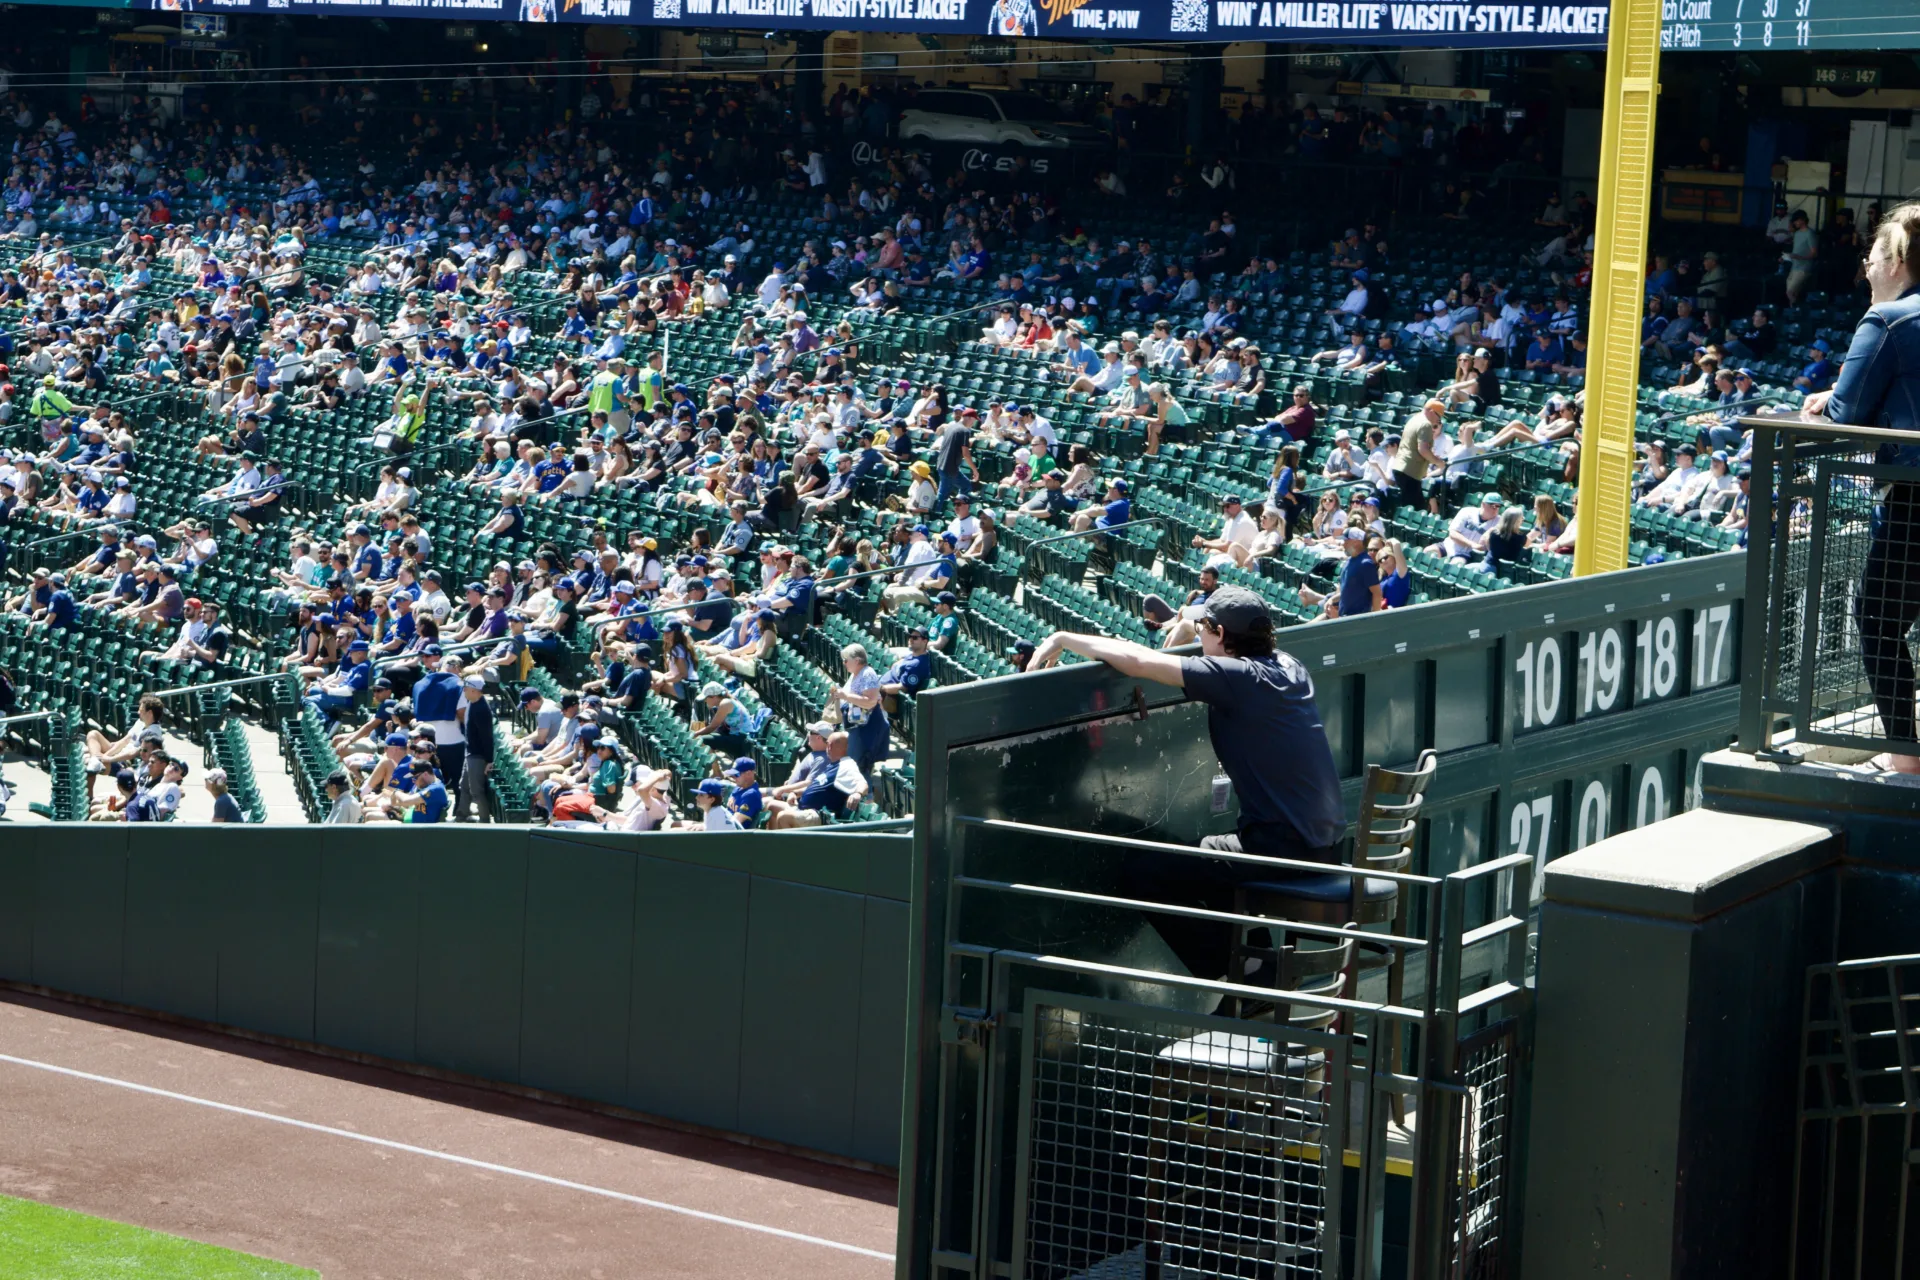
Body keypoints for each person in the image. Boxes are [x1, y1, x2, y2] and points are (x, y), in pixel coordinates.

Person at [1027, 586, 1344, 984]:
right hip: (1322, 843)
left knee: (1144, 872)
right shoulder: (1288, 665)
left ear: (1222, 636)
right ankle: (1258, 970)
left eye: (1203, 628)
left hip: (1281, 848)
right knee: (1213, 867)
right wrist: (1185, 627)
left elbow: (1138, 660)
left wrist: (1063, 638)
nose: (1198, 634)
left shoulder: (1235, 677)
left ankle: (1234, 976)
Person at [1806, 200, 1920, 773]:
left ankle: (1906, 759)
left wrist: (1815, 413)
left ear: (1898, 259)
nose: (1867, 268)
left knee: (1877, 618)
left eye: (1873, 256)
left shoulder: (1888, 319)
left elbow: (1843, 420)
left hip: (1913, 502)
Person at [457, 674, 494, 822]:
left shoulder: (481, 710)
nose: (463, 691)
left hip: (477, 756)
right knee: (464, 786)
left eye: (465, 688)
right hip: (470, 753)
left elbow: (487, 737)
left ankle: (484, 821)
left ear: (474, 690)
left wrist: (489, 760)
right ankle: (461, 815)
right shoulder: (472, 703)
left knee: (476, 791)